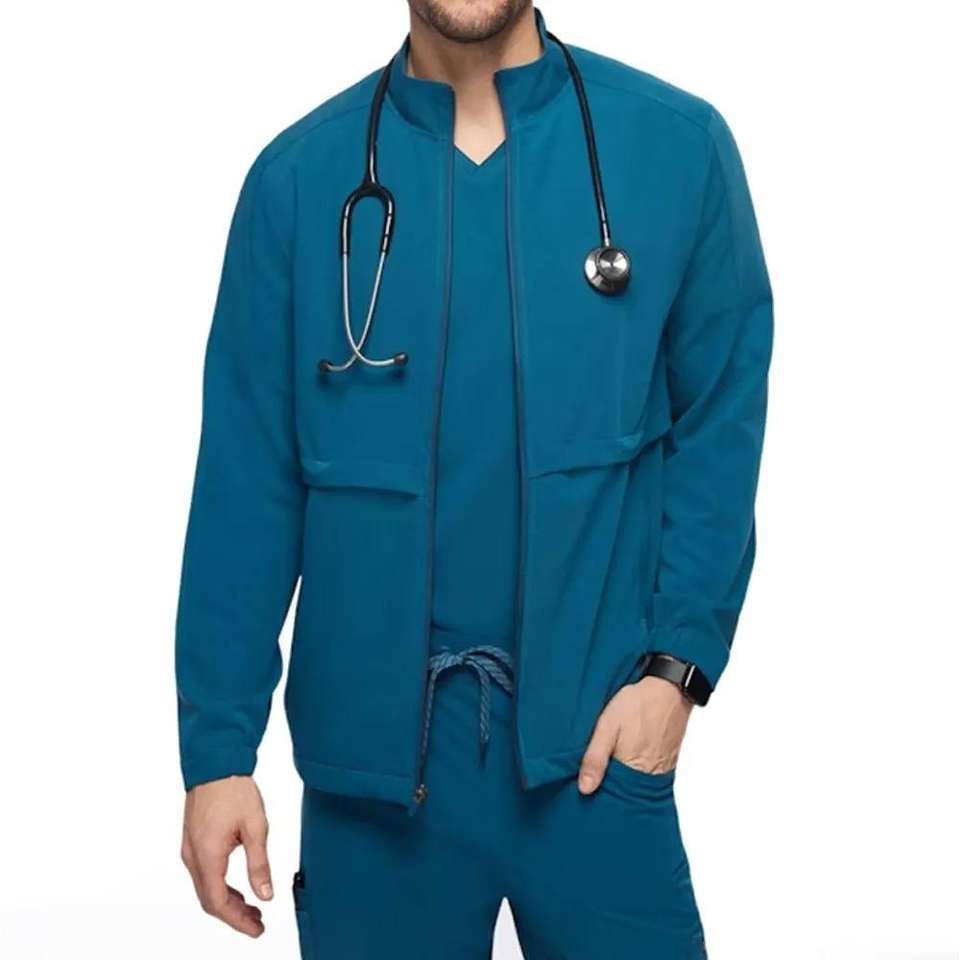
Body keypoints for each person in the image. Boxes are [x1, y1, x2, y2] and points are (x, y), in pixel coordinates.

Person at [175, 2, 773, 956]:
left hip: (595, 763)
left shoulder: (675, 150)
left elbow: (720, 430)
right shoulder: (296, 184)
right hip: (372, 790)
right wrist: (216, 754)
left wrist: (676, 673)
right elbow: (245, 486)